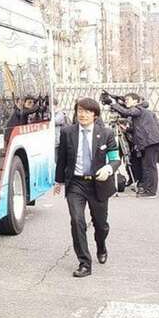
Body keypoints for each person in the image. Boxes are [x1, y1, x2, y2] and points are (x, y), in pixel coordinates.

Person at [55, 97, 121, 277]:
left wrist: (108, 169)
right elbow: (62, 158)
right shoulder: (68, 132)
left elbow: (115, 158)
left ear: (95, 115)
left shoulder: (106, 133)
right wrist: (58, 181)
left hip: (98, 184)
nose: (82, 114)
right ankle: (84, 262)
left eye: (87, 111)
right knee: (77, 221)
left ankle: (101, 245)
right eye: (80, 111)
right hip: (75, 183)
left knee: (101, 225)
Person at [104, 92, 159, 198]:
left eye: (128, 100)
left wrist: (113, 104)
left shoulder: (138, 109)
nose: (126, 102)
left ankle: (151, 191)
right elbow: (137, 127)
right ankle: (147, 188)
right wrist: (126, 129)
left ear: (136, 101)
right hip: (148, 142)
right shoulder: (139, 111)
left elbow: (127, 112)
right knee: (146, 167)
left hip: (150, 142)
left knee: (150, 167)